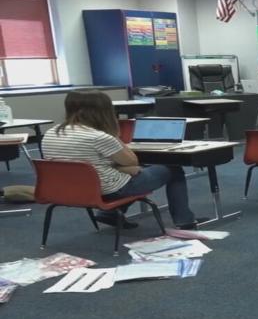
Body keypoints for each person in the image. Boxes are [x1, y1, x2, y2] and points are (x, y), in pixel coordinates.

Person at [41, 90, 199, 229]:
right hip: (107, 190)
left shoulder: (51, 132)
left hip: (69, 189)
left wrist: (120, 168)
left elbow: (87, 165)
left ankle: (110, 215)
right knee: (172, 169)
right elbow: (132, 161)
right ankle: (185, 220)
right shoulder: (99, 137)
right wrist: (112, 134)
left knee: (131, 172)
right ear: (103, 111)